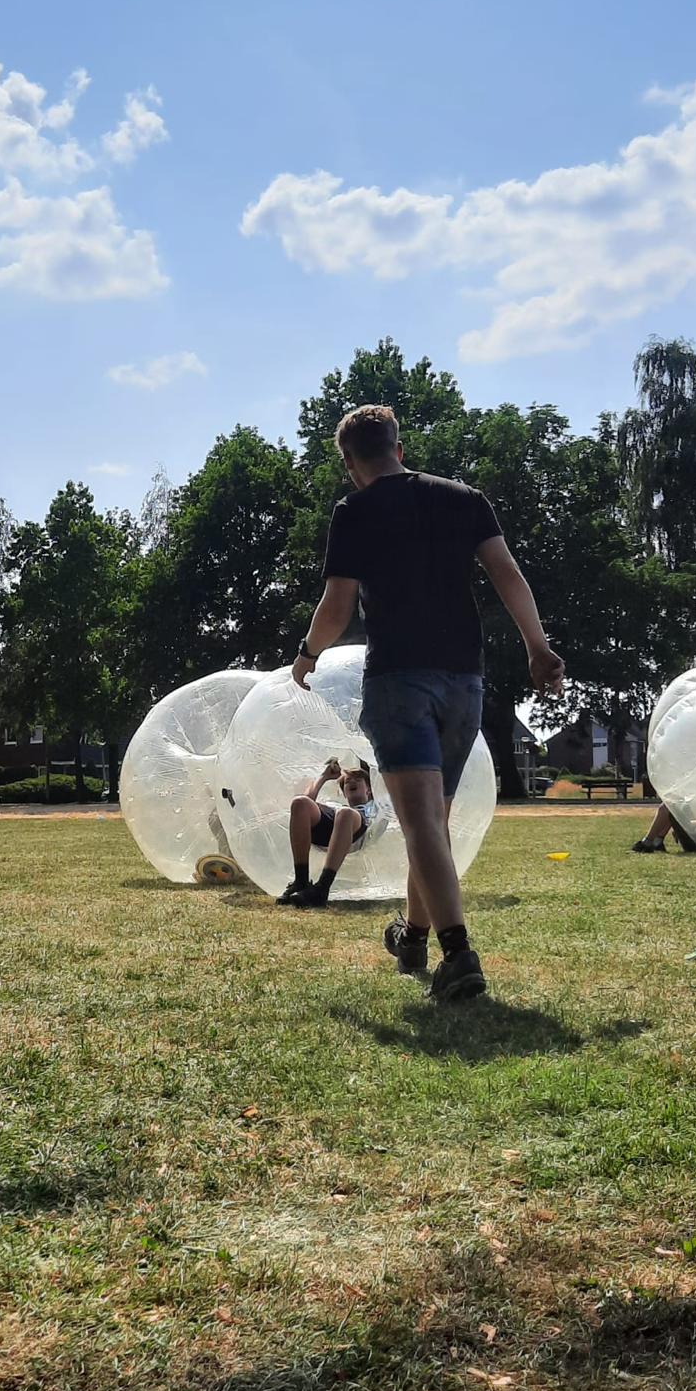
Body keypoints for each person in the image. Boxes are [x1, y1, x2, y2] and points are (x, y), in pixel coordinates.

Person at [291, 404, 563, 1001]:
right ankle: (413, 934)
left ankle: (459, 953)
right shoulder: (464, 498)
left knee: (419, 823)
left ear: (349, 462)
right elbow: (507, 573)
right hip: (465, 680)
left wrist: (307, 654)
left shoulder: (353, 511)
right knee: (430, 823)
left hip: (399, 680)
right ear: (399, 446)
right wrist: (538, 647)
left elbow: (337, 607)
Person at [277, 757, 379, 908]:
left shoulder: (375, 804)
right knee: (300, 803)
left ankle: (322, 888)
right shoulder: (338, 807)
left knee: (346, 813)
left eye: (357, 778)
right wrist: (324, 777)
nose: (350, 781)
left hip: (356, 826)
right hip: (333, 823)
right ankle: (301, 881)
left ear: (369, 790)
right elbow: (306, 803)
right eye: (347, 780)